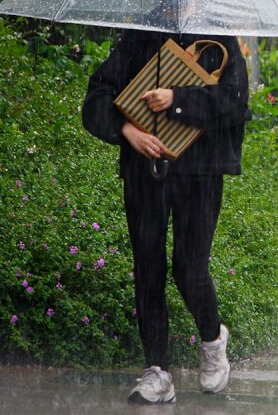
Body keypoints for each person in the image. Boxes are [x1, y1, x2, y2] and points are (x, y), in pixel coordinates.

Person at [82, 28, 251, 404]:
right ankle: (157, 371)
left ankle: (212, 338)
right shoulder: (137, 38)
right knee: (148, 267)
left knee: (189, 268)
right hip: (145, 169)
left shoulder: (217, 40)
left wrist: (177, 99)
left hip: (201, 171)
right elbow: (96, 97)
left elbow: (236, 103)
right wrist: (127, 130)